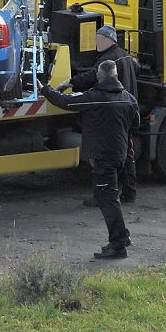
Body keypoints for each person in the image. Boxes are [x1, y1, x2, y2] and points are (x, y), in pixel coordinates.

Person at [42, 60, 139, 259]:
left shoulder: (94, 97)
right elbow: (134, 124)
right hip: (119, 154)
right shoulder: (128, 98)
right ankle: (121, 238)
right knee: (109, 196)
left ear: (98, 76)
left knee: (107, 198)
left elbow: (65, 101)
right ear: (116, 76)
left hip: (102, 156)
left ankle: (119, 244)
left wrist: (45, 90)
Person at [59, 24, 139, 203]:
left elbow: (92, 76)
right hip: (127, 109)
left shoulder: (108, 60)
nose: (96, 42)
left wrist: (69, 82)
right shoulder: (125, 55)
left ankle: (103, 197)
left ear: (108, 40)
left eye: (99, 39)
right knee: (127, 153)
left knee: (105, 158)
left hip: (112, 111)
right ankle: (129, 193)